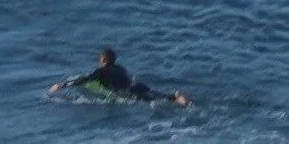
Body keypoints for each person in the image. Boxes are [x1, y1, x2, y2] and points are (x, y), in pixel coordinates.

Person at [50, 47, 190, 106]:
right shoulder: (120, 67)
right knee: (162, 96)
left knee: (156, 102)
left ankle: (181, 103)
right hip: (138, 85)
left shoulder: (100, 72)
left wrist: (61, 85)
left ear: (103, 60)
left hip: (128, 92)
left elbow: (84, 80)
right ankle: (176, 95)